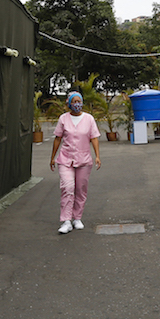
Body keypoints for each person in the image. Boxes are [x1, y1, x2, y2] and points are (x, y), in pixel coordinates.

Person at [50, 91, 101, 234]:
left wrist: (97, 156)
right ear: (69, 103)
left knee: (80, 189)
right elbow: (58, 138)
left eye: (79, 101)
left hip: (84, 160)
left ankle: (77, 218)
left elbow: (94, 137)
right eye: (74, 101)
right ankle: (66, 221)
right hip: (65, 159)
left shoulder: (89, 119)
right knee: (67, 187)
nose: (77, 104)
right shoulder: (63, 119)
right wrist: (52, 157)